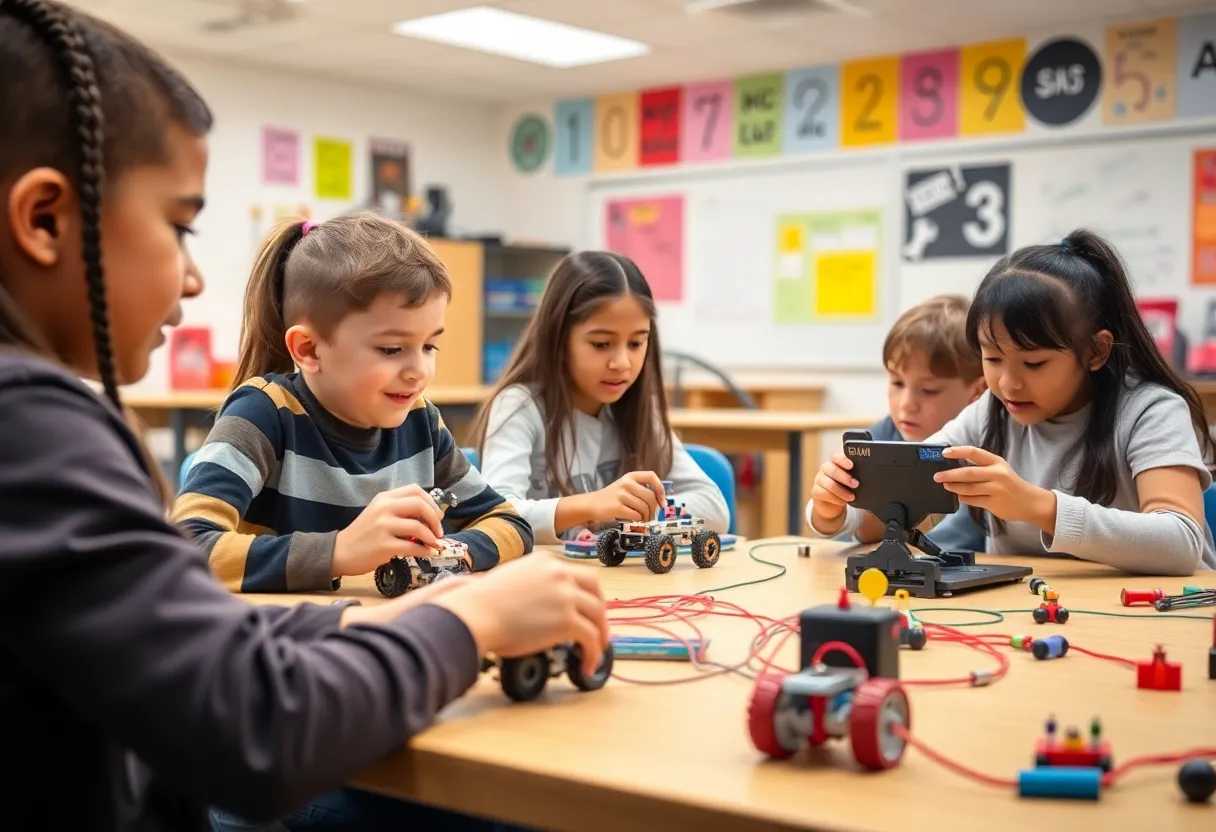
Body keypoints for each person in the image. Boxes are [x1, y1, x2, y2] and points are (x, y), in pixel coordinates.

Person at [0, 3, 608, 830]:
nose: (192, 279)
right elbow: (252, 722)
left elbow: (188, 645)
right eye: (180, 226)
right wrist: (468, 616)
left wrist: (407, 597)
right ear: (43, 219)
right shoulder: (30, 430)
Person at [807, 229, 1216, 576]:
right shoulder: (990, 413)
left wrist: (1038, 506)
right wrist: (837, 509)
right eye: (993, 358)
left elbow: (1180, 544)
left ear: (1096, 351)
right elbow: (904, 507)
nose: (1007, 383)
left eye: (1034, 363)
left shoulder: (1151, 410)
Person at [172, 213, 533, 594]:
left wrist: (447, 554)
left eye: (429, 346)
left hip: (390, 628)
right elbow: (185, 549)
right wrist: (340, 551)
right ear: (309, 350)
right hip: (285, 638)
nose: (419, 371)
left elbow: (509, 523)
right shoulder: (263, 414)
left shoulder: (420, 420)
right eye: (391, 349)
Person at [470, 251, 729, 544]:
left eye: (636, 343)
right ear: (559, 337)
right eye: (602, 343)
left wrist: (633, 514)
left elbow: (714, 508)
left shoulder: (640, 411)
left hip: (624, 585)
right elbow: (495, 516)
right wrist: (590, 504)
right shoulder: (520, 406)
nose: (622, 362)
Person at [822, 294, 986, 553]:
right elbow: (847, 530)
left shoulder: (984, 451)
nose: (906, 404)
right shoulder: (879, 439)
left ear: (978, 391)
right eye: (897, 383)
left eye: (929, 390)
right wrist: (828, 513)